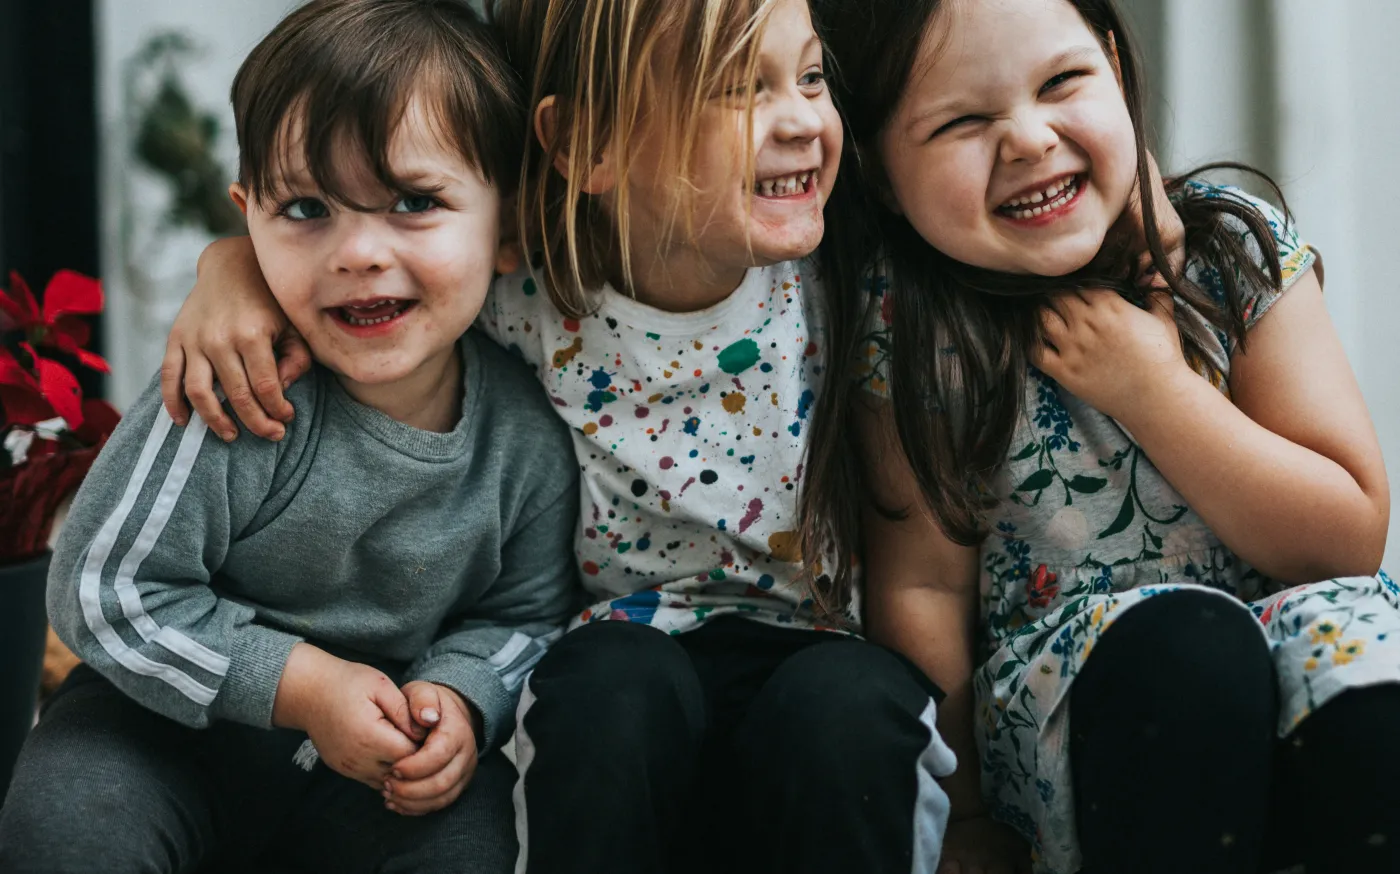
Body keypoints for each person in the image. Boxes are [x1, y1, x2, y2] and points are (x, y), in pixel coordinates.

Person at [150, 0, 962, 871]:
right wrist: (234, 268)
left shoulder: (850, 281)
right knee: (607, 688)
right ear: (588, 145)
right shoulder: (532, 293)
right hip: (620, 660)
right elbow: (392, 265)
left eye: (809, 76)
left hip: (815, 653)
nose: (802, 118)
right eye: (734, 87)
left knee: (853, 705)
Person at [804, 0, 1400, 872]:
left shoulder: (1230, 252)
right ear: (881, 175)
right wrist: (963, 812)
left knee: (1371, 676)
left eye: (1062, 82)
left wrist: (1155, 391)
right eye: (964, 121)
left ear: (1116, 69)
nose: (1029, 140)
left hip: (1287, 634)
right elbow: (924, 592)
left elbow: (1344, 539)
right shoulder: (914, 327)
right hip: (1085, 698)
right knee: (1190, 653)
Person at [0, 2, 578, 872]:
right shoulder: (234, 390)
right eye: (306, 208)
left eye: (415, 202)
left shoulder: (525, 442)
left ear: (511, 225)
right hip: (160, 733)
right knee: (70, 812)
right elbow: (103, 588)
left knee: (469, 836)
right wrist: (303, 687)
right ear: (247, 219)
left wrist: (460, 696)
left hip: (371, 770)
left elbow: (526, 615)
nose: (357, 252)